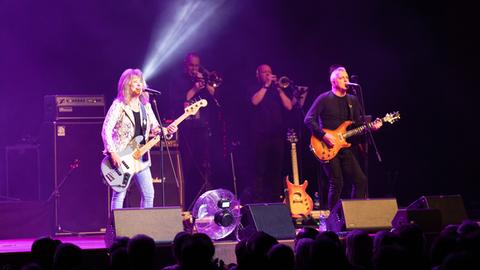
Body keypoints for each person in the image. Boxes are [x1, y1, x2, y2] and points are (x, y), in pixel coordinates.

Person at [304, 65, 382, 210]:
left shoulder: (353, 100)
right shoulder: (324, 98)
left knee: (360, 180)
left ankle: (354, 215)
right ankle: (333, 219)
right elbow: (308, 119)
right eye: (342, 78)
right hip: (326, 146)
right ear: (333, 82)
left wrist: (371, 127)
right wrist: (324, 135)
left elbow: (357, 125)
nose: (346, 80)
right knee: (337, 181)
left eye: (347, 77)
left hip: (345, 147)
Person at [102, 68, 177, 210]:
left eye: (140, 82)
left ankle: (145, 229)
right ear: (126, 85)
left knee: (149, 195)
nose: (139, 85)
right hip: (122, 156)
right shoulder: (119, 105)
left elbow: (155, 129)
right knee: (119, 196)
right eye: (134, 82)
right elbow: (106, 129)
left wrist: (168, 131)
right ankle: (116, 230)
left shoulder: (146, 106)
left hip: (141, 157)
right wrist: (113, 153)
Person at [168, 53, 223, 210]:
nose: (194, 69)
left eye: (197, 66)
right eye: (191, 65)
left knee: (204, 166)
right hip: (186, 128)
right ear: (186, 65)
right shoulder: (177, 80)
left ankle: (203, 204)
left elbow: (213, 96)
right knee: (188, 166)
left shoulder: (203, 79)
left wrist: (205, 84)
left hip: (203, 127)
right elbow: (178, 101)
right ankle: (187, 204)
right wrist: (194, 88)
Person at [249, 64, 297, 203]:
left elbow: (289, 106)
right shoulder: (254, 88)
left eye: (270, 72)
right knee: (260, 170)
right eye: (265, 72)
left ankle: (276, 199)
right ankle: (258, 201)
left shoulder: (277, 90)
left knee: (276, 169)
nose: (268, 75)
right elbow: (254, 101)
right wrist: (266, 86)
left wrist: (279, 90)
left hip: (277, 135)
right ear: (258, 75)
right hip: (260, 135)